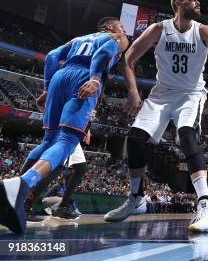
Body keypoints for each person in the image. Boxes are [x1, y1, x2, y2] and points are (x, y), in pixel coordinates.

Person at [103, 0, 208, 233]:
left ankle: (205, 205)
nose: (198, 2)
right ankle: (136, 198)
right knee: (135, 139)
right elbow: (128, 59)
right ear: (178, 3)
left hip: (190, 94)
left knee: (187, 134)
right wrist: (133, 90)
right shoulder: (159, 29)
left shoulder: (203, 30)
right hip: (161, 94)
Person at [0, 17, 128, 234]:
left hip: (60, 77)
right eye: (121, 26)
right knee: (67, 141)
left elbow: (51, 57)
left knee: (49, 141)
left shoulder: (77, 39)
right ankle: (21, 185)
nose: (124, 30)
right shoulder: (117, 37)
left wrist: (48, 88)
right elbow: (102, 54)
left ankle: (14, 197)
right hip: (83, 77)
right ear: (110, 27)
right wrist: (95, 79)